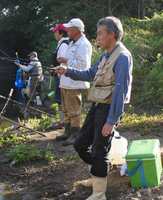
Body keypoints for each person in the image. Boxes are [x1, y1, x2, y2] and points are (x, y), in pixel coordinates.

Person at [54, 16, 133, 200]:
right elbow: (90, 74)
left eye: (99, 34)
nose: (97, 38)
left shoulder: (122, 57)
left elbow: (120, 92)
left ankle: (99, 193)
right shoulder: (106, 55)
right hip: (97, 106)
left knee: (99, 151)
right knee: (80, 144)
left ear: (111, 34)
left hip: (107, 111)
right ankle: (97, 175)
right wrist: (67, 70)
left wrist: (111, 121)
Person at [55, 18, 92, 146]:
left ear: (77, 30)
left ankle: (75, 134)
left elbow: (83, 66)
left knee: (73, 110)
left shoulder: (83, 44)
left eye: (69, 29)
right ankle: (67, 132)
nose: (67, 31)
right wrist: (62, 68)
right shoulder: (72, 42)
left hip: (74, 83)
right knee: (66, 109)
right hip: (66, 82)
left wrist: (65, 62)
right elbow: (70, 62)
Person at [49, 24, 70, 129]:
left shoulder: (63, 45)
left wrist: (59, 73)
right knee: (61, 98)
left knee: (59, 98)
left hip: (61, 76)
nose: (54, 34)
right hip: (61, 75)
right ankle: (64, 120)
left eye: (55, 32)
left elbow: (63, 61)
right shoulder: (63, 43)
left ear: (61, 33)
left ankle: (62, 121)